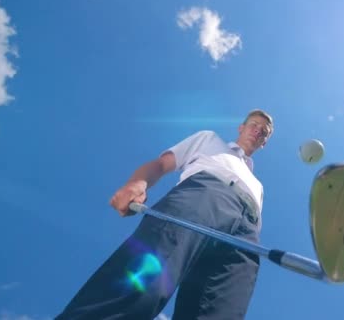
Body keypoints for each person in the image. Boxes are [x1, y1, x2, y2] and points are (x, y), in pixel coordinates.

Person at [56, 109, 273, 320]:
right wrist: (137, 183)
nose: (258, 130)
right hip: (204, 195)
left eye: (264, 131)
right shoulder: (209, 140)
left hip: (248, 230)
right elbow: (162, 164)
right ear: (241, 127)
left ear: (264, 142)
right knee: (147, 280)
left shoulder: (259, 186)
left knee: (222, 310)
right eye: (254, 124)